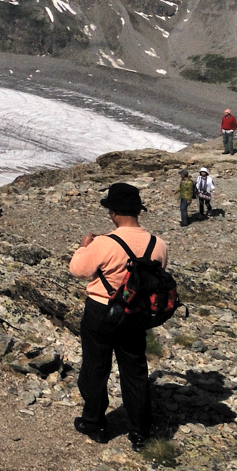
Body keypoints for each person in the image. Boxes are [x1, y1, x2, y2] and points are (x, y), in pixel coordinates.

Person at [68, 182, 165, 451]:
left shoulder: (104, 243)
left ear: (113, 213)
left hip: (101, 309)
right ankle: (140, 431)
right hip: (136, 313)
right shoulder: (159, 245)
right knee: (135, 370)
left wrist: (83, 247)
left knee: (95, 368)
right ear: (138, 211)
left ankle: (94, 424)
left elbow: (78, 269)